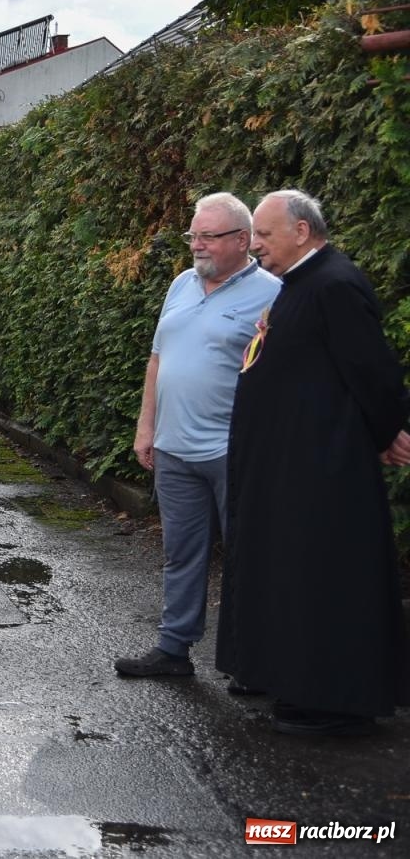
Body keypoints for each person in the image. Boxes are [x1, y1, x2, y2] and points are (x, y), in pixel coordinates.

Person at [215, 190, 410, 735]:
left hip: (325, 470)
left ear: (301, 232)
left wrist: (387, 432)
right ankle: (294, 682)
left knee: (325, 580)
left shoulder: (335, 284)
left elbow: (371, 370)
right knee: (294, 577)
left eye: (264, 235)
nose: (256, 246)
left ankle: (337, 703)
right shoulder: (299, 285)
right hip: (292, 466)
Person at [114, 193, 280, 681]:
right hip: (174, 449)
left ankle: (255, 662)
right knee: (181, 554)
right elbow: (157, 359)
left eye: (208, 237)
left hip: (235, 451)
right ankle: (173, 649)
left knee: (250, 557)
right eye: (193, 236)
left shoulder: (273, 293)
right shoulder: (182, 283)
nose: (197, 245)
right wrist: (146, 427)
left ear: (243, 240)